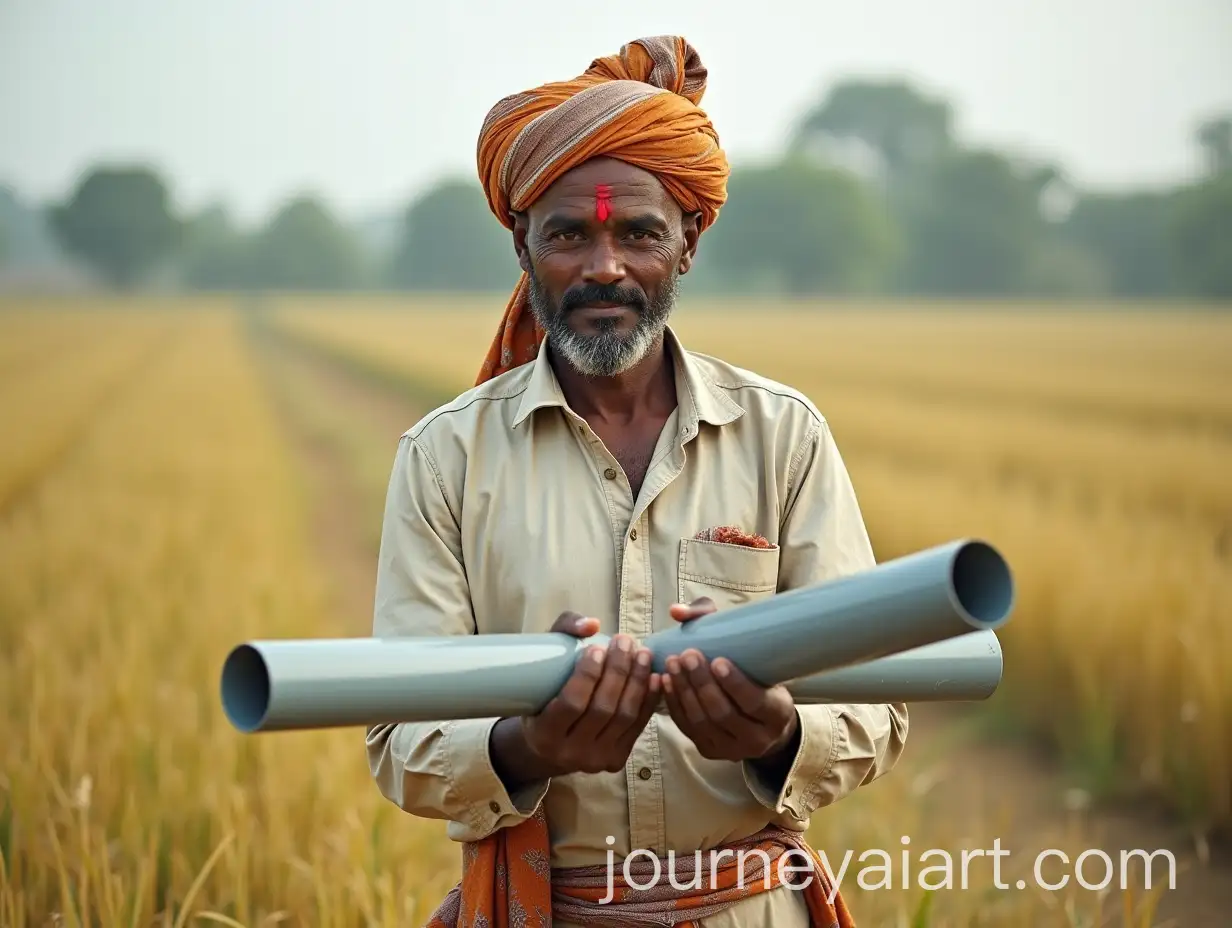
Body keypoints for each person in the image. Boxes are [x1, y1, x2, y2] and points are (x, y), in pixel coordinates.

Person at [366, 35, 909, 928]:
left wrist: (775, 734)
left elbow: (877, 703)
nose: (604, 267)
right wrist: (531, 745)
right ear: (523, 246)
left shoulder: (783, 436)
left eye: (639, 233)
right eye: (570, 234)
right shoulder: (445, 458)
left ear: (688, 243)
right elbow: (402, 741)